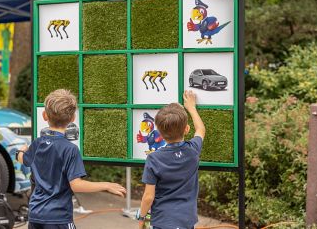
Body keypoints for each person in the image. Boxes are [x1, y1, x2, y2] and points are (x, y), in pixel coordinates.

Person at [17, 89, 126, 229]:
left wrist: (21, 150)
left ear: (44, 116)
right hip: (58, 217)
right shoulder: (70, 149)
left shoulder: (37, 143)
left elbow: (22, 159)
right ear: (73, 118)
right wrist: (106, 185)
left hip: (36, 215)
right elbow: (76, 184)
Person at [137, 90, 206, 229]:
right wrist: (191, 108)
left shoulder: (153, 159)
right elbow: (201, 129)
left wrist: (141, 216)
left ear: (159, 133)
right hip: (187, 221)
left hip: (162, 222)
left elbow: (148, 197)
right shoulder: (193, 150)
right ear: (186, 129)